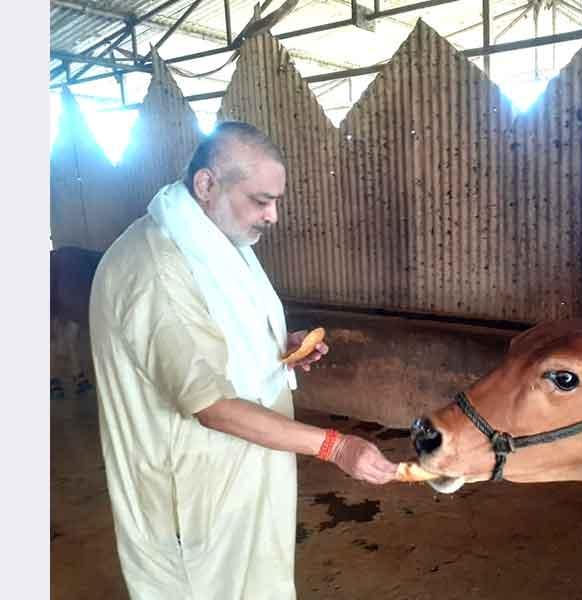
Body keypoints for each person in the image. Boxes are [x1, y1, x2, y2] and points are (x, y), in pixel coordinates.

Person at [88, 121, 398, 599]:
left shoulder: (211, 241)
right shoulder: (155, 267)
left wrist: (279, 347)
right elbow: (209, 404)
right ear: (207, 184)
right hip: (193, 501)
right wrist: (336, 447)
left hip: (240, 482)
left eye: (275, 201)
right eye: (260, 201)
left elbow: (218, 337)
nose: (273, 216)